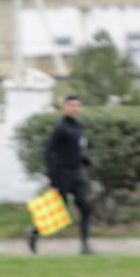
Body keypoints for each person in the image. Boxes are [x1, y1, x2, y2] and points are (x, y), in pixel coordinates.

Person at [27, 94, 94, 255]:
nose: (74, 108)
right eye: (71, 105)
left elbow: (74, 149)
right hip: (62, 174)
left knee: (84, 206)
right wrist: (52, 174)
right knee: (58, 210)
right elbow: (49, 151)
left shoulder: (78, 127)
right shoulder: (60, 128)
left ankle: (85, 246)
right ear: (65, 107)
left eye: (77, 105)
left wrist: (84, 160)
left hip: (76, 172)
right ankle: (34, 232)